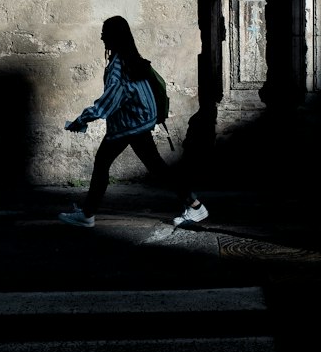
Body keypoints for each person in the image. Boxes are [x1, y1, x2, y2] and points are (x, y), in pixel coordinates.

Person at [59, 15, 209, 230]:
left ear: (113, 36)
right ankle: (195, 205)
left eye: (105, 33)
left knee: (103, 163)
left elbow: (107, 103)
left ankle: (87, 215)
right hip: (138, 123)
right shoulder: (131, 59)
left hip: (128, 126)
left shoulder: (119, 66)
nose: (101, 37)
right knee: (156, 167)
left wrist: (81, 119)